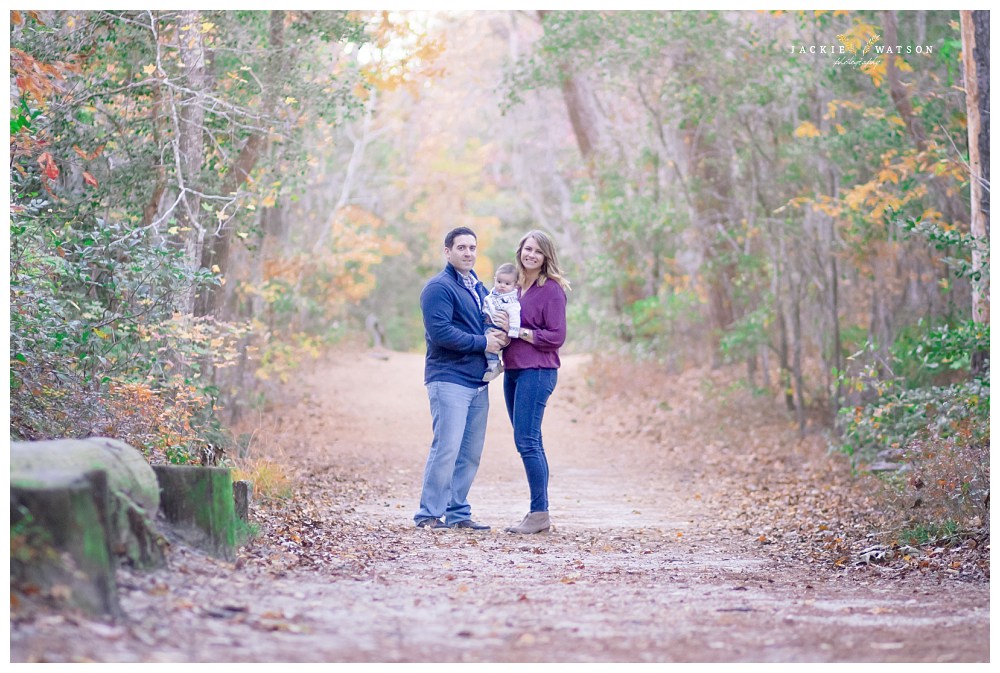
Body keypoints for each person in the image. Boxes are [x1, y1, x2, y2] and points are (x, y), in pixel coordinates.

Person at [413, 226, 509, 531]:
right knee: (447, 448)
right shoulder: (438, 288)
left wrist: (499, 335)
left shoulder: (478, 288)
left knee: (470, 453)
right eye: (461, 247)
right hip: (449, 378)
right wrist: (483, 343)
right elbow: (441, 333)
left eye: (472, 247)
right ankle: (429, 514)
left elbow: (482, 323)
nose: (468, 253)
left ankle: (457, 512)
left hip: (478, 381)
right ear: (447, 251)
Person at [502, 230, 570, 534]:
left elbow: (557, 336)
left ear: (546, 257)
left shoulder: (552, 290)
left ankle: (539, 513)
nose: (531, 255)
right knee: (528, 439)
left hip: (538, 370)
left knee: (526, 441)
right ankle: (538, 512)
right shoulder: (513, 287)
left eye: (538, 252)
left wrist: (520, 332)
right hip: (514, 368)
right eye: (528, 249)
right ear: (520, 251)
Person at [482, 263, 521, 383]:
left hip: (497, 327)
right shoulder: (493, 294)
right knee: (483, 339)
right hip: (488, 322)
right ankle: (491, 363)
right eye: (499, 281)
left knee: (489, 340)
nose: (502, 285)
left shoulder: (511, 301)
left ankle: (494, 364)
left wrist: (513, 330)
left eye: (507, 284)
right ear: (495, 279)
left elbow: (515, 316)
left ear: (515, 285)